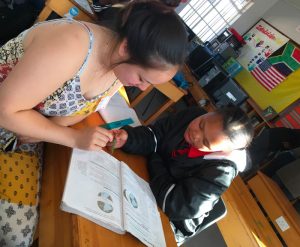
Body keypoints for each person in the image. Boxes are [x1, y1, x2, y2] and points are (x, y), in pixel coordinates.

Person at [0, 1, 188, 245]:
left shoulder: (116, 72)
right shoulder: (71, 46)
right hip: (7, 118)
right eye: (142, 78)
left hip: (21, 131)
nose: (143, 87)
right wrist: (72, 138)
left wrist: (49, 128)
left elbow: (82, 105)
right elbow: (5, 111)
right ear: (126, 47)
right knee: (18, 231)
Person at [112, 106, 254, 245]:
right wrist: (129, 138)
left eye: (205, 142)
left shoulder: (221, 172)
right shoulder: (192, 114)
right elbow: (155, 135)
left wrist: (155, 158)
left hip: (167, 222)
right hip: (150, 184)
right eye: (201, 124)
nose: (195, 134)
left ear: (223, 151)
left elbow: (174, 203)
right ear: (209, 112)